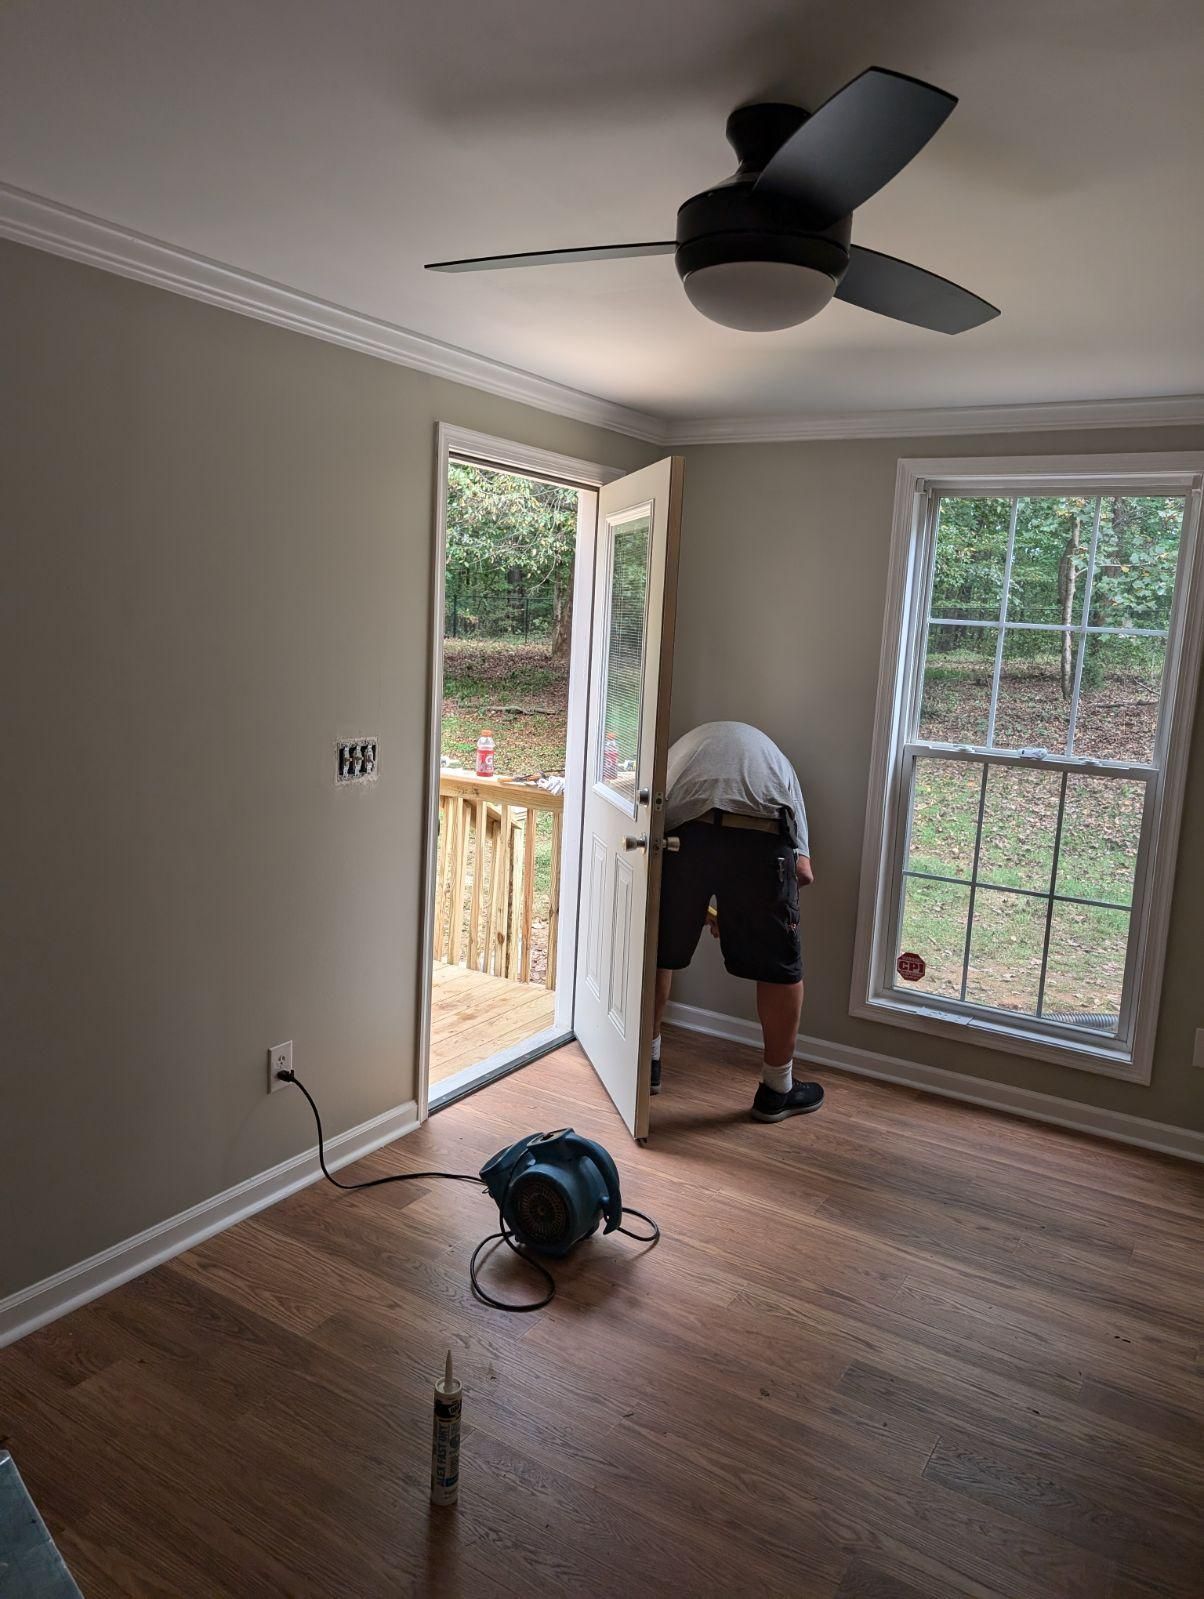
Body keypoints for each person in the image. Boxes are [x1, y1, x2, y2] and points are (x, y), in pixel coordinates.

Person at [651, 721, 823, 1123]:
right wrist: (741, 913)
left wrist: (705, 910)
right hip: (761, 836)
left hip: (681, 836)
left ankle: (645, 1065)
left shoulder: (678, 754)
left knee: (657, 950)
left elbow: (652, 833)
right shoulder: (779, 769)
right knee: (781, 969)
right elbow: (802, 872)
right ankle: (777, 1090)